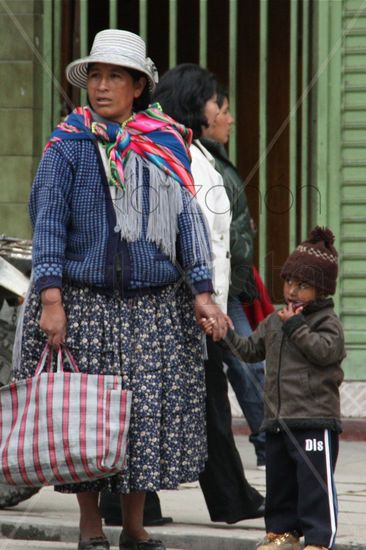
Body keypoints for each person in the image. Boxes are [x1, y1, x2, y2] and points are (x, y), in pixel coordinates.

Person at [15, 30, 229, 550]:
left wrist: (202, 291)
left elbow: (188, 224)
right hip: (82, 305)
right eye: (96, 75)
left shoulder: (162, 144)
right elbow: (47, 226)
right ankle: (91, 526)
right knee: (82, 419)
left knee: (143, 422)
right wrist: (50, 299)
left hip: (151, 310)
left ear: (138, 87)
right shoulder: (67, 146)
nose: (102, 86)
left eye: (115, 77)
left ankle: (134, 526)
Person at [153, 63, 265, 524]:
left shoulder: (195, 152)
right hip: (185, 306)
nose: (227, 113)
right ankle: (229, 498)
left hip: (203, 302)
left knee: (204, 402)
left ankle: (229, 497)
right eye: (217, 101)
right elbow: (187, 234)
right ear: (195, 105)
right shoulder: (172, 154)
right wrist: (205, 298)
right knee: (200, 404)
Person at [201, 227, 345, 550]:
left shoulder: (327, 322)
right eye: (289, 282)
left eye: (303, 285)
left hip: (314, 421)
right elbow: (250, 350)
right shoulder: (275, 321)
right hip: (278, 420)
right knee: (280, 484)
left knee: (314, 485)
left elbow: (325, 351)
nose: (292, 291)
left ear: (321, 290)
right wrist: (223, 333)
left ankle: (321, 539)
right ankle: (282, 534)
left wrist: (296, 326)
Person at [201, 87, 267, 469]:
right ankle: (267, 444)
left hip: (231, 287)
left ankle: (266, 445)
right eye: (223, 110)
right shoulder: (201, 160)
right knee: (247, 367)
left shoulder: (216, 159)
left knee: (250, 367)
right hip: (215, 289)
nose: (230, 119)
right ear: (203, 112)